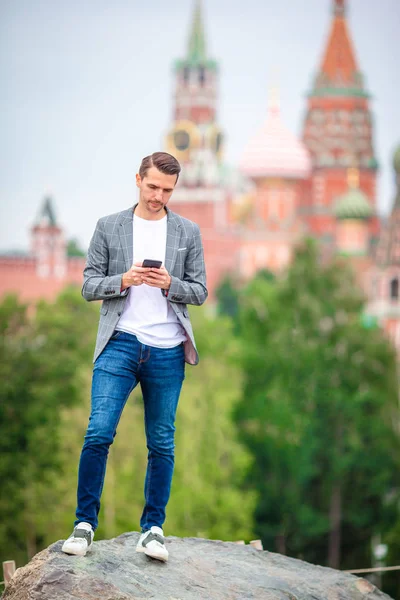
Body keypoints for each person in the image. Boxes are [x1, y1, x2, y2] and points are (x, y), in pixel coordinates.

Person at [62, 151, 207, 562]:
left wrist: (170, 283)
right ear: (138, 180)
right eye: (153, 187)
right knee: (99, 432)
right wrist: (123, 279)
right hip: (120, 342)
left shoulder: (187, 232)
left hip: (167, 350)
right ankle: (83, 524)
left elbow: (200, 290)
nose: (159, 196)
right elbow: (89, 285)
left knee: (161, 442)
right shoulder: (109, 226)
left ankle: (153, 530)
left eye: (167, 190)